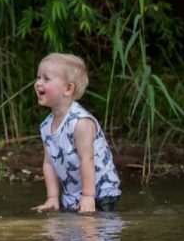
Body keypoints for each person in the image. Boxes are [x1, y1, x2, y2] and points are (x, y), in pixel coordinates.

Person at [33, 54, 121, 214]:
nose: (38, 83)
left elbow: (86, 159)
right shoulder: (46, 126)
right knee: (70, 234)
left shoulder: (81, 123)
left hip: (100, 191)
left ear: (68, 89)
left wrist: (88, 196)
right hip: (72, 194)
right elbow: (48, 163)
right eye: (38, 77)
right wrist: (52, 197)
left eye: (46, 79)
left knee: (99, 231)